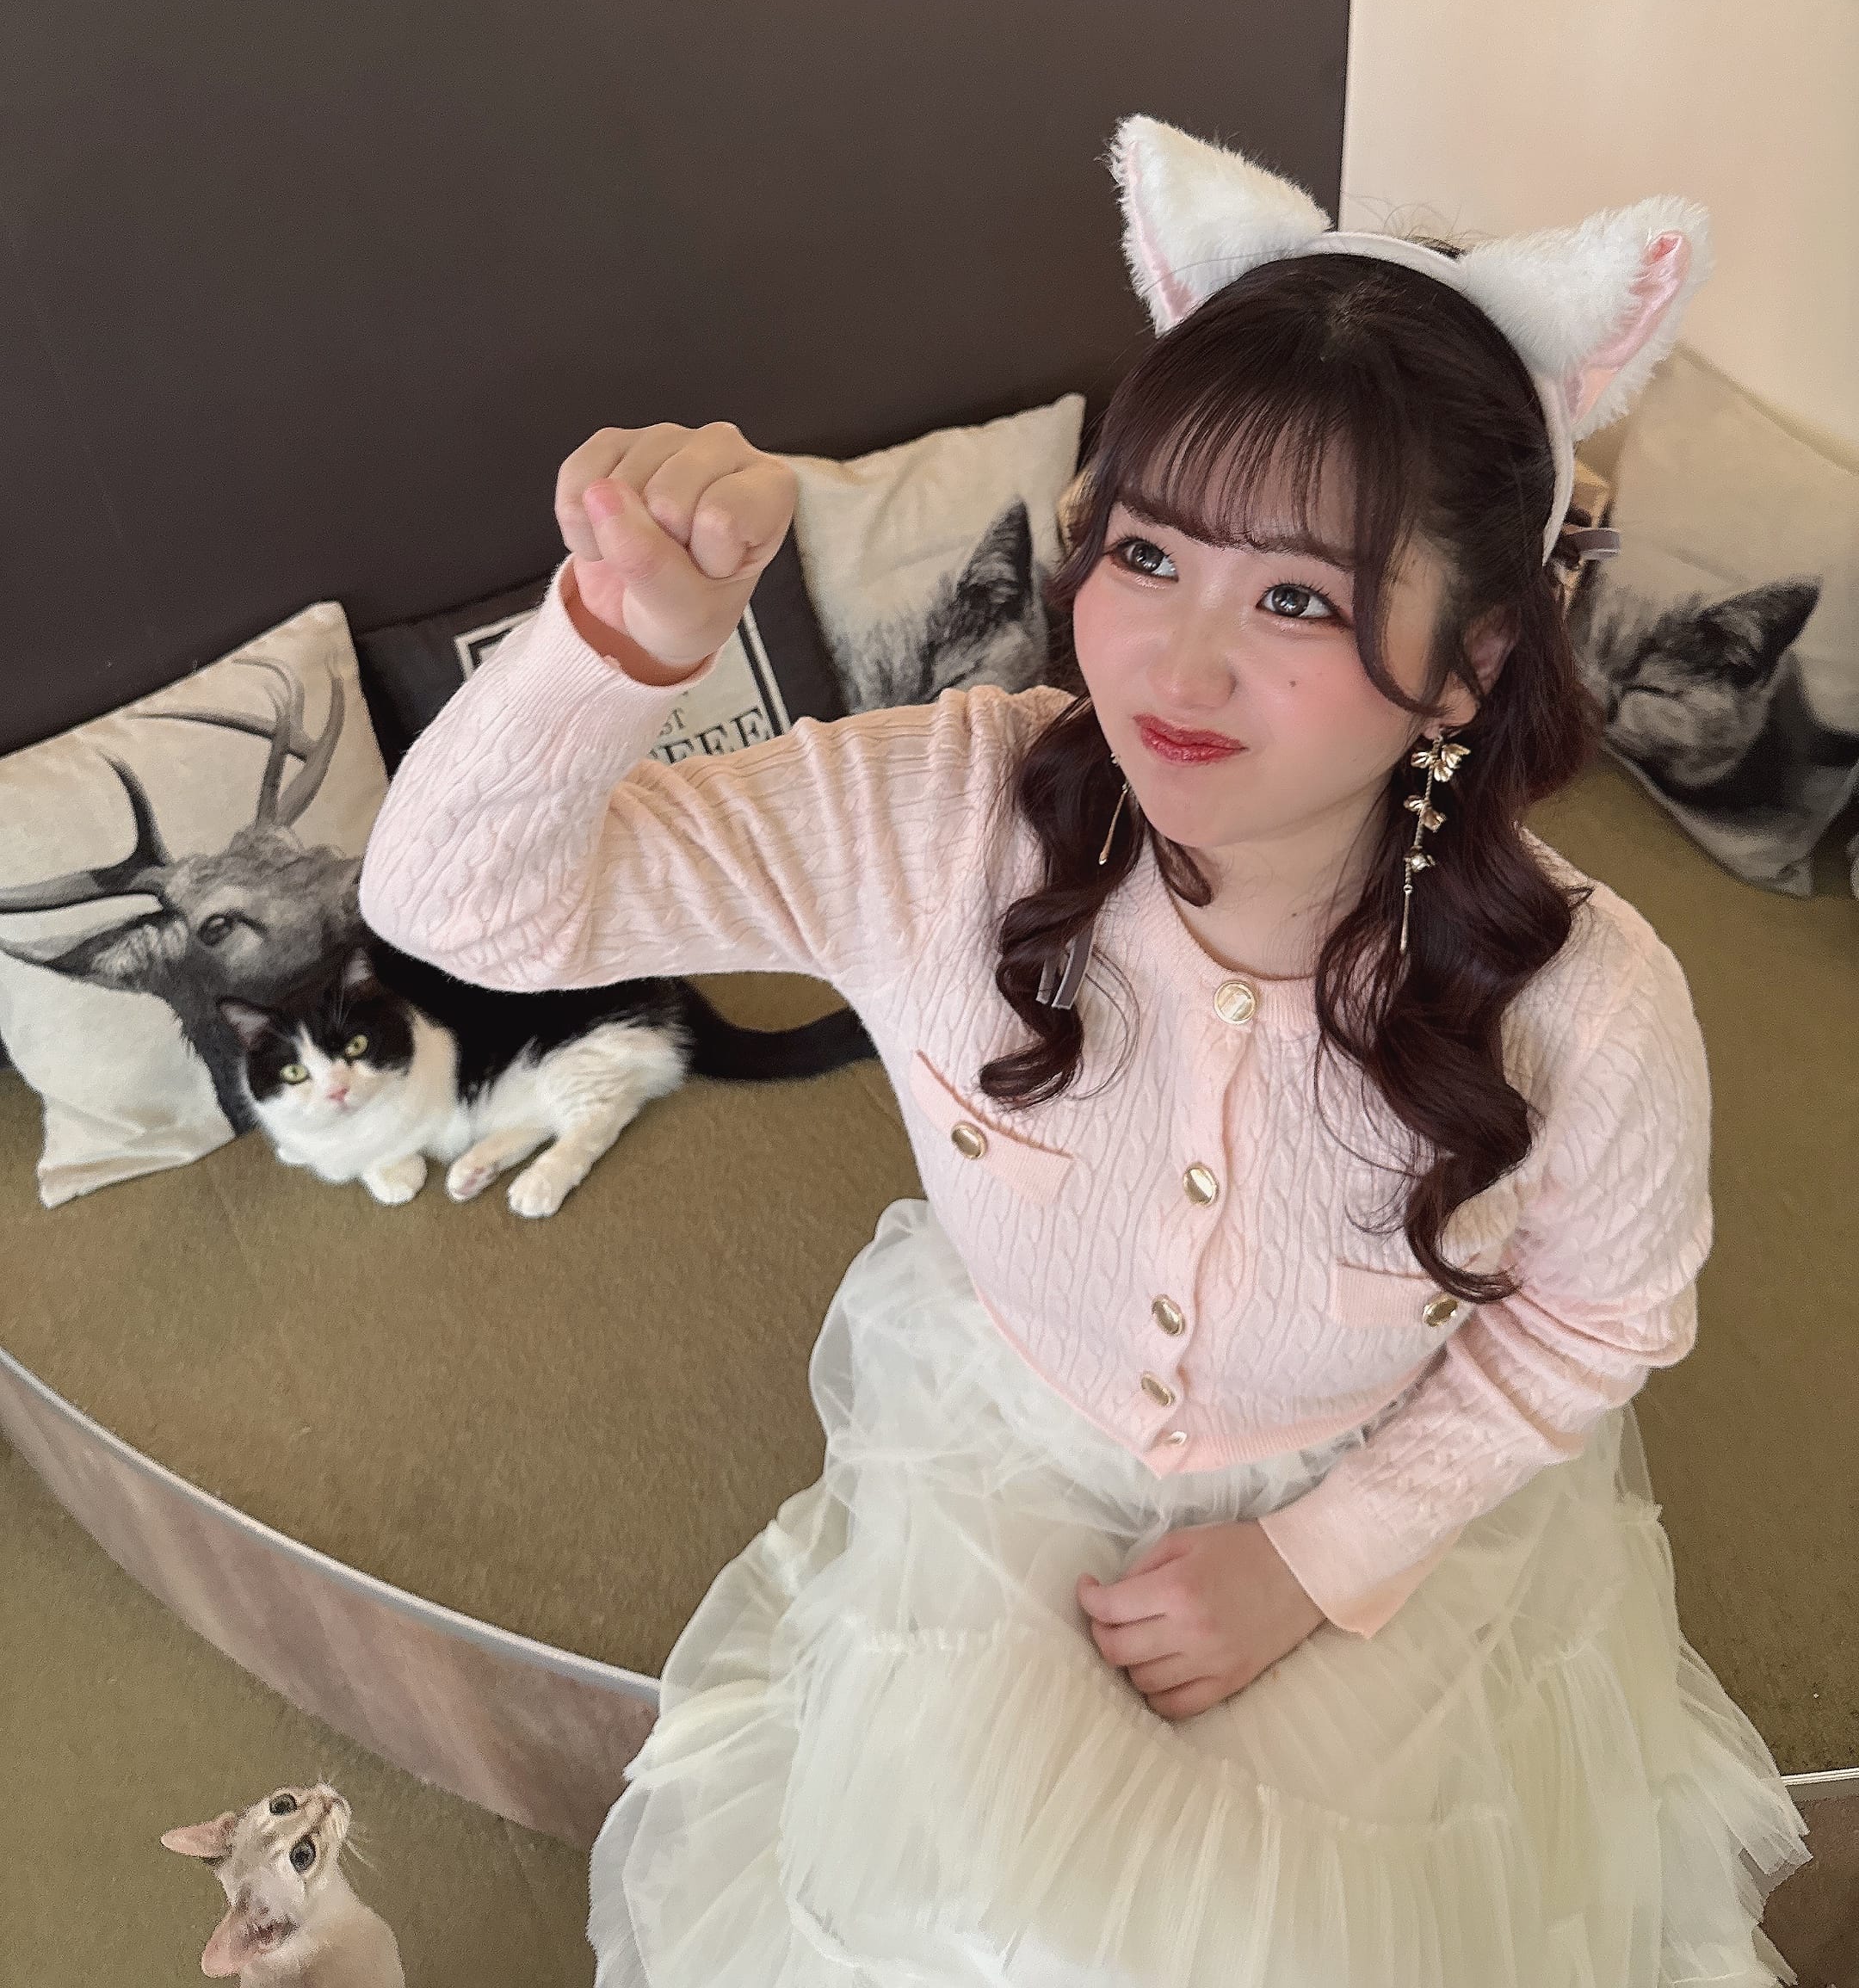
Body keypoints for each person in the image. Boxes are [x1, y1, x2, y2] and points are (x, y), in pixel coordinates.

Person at [358, 118, 1810, 1986]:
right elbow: (458, 910)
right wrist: (613, 648)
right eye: (1148, 554)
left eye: (1298, 598)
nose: (1174, 670)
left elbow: (1605, 1316)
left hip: (1371, 1492)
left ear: (1468, 666)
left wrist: (1316, 1561)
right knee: (958, 1923)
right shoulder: (939, 816)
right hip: (1011, 1448)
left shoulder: (1586, 1003)